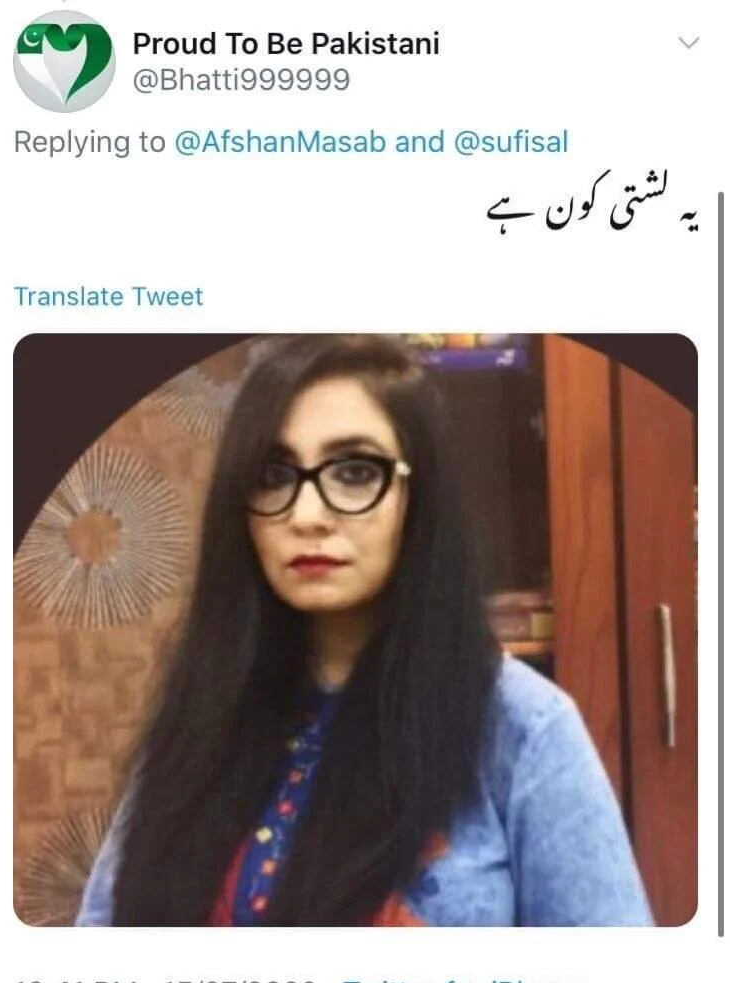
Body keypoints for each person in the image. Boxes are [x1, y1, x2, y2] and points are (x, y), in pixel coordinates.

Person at [75, 334, 653, 927]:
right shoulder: (205, 714)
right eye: (272, 475)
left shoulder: (520, 727)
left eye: (354, 472)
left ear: (418, 495)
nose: (306, 516)